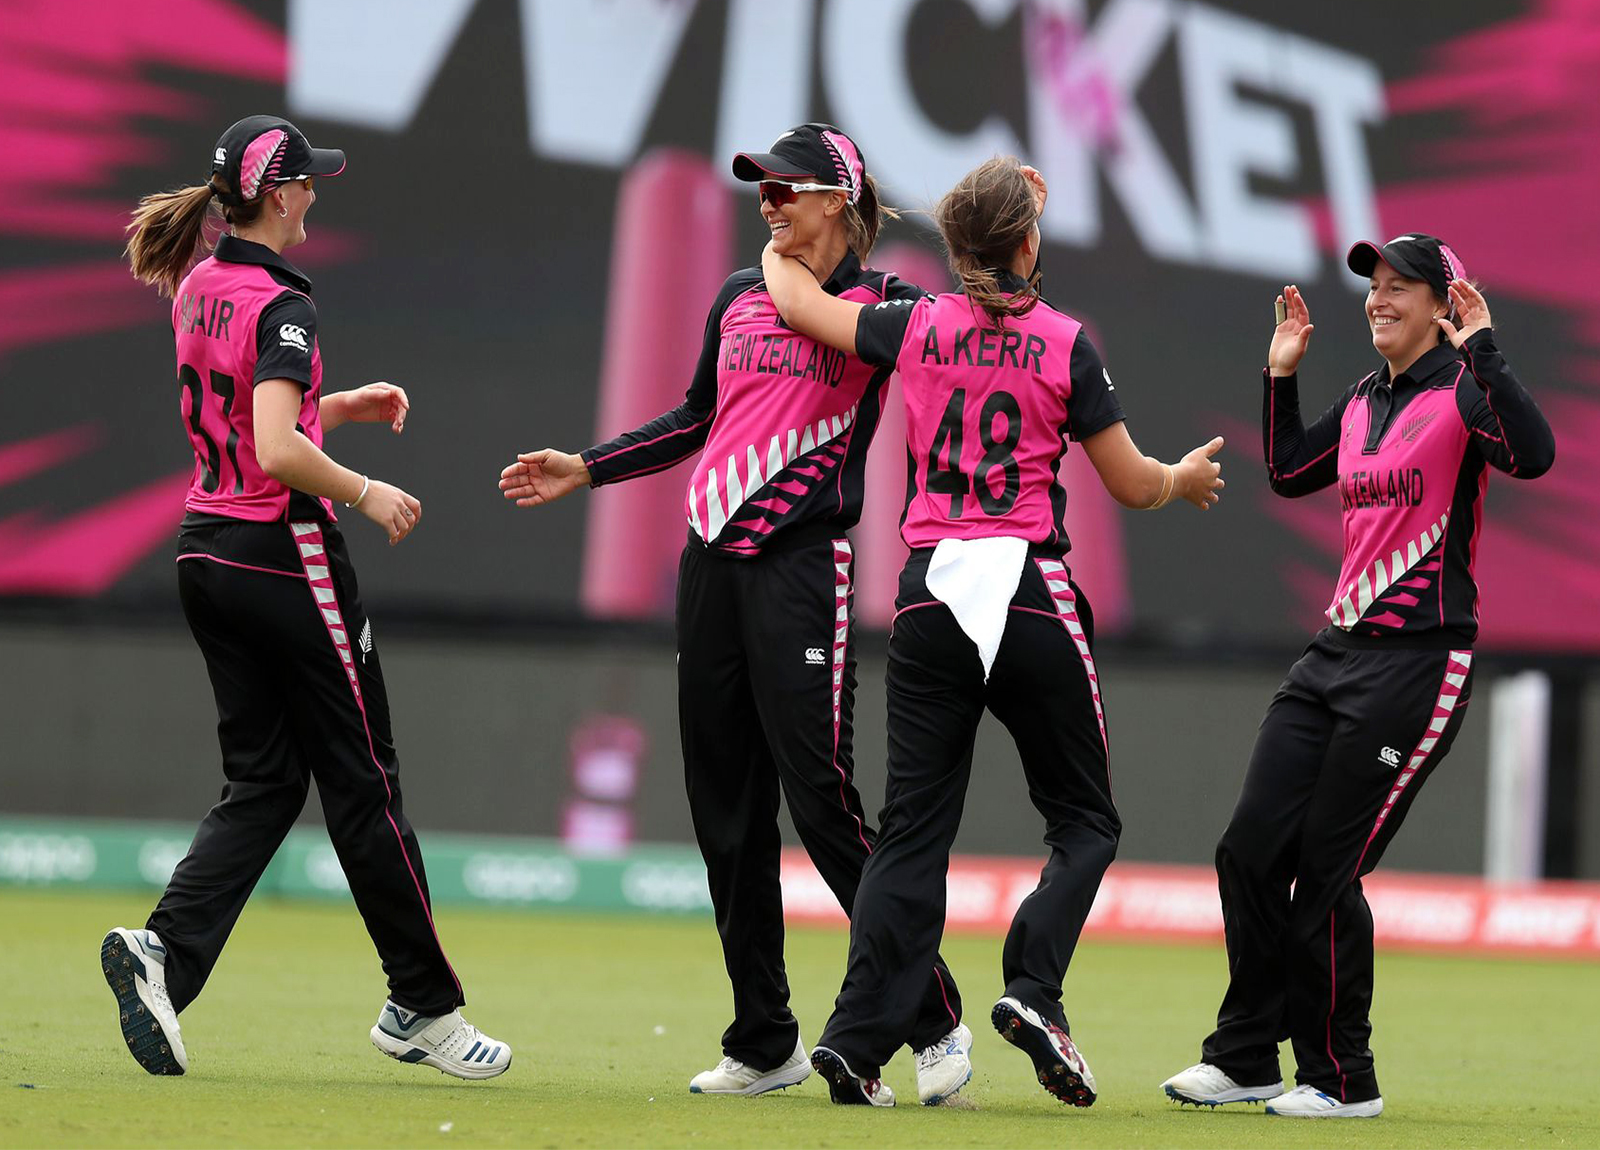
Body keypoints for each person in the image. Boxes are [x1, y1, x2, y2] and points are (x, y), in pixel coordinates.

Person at [498, 123, 971, 1104]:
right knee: (726, 810)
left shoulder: (883, 304)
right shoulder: (735, 295)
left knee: (824, 805)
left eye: (784, 191)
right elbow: (694, 418)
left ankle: (930, 1019)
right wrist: (587, 468)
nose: (767, 206)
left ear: (838, 199)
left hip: (804, 568)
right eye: (759, 192)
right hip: (709, 569)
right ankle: (764, 1040)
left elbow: (963, 351)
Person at [759, 155, 1225, 1106]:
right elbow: (1133, 485)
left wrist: (777, 244)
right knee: (1085, 820)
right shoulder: (1066, 341)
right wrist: (1184, 479)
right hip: (1026, 592)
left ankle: (854, 1040)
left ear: (957, 244)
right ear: (1026, 242)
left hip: (930, 593)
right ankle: (1033, 991)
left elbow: (804, 307)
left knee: (911, 836)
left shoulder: (917, 322)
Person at [108, 115, 509, 1080]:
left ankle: (163, 953)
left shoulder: (201, 283)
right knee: (365, 784)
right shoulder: (285, 305)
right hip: (285, 554)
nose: (318, 194)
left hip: (208, 553)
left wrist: (344, 403)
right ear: (279, 193)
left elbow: (255, 416)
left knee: (266, 782)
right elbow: (278, 450)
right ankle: (425, 1006)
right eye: (309, 182)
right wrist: (367, 490)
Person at [1161, 235, 1555, 1117]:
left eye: (1400, 288)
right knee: (1251, 850)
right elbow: (1293, 469)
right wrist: (1280, 374)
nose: (1379, 300)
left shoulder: (1463, 390)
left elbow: (1533, 455)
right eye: (1374, 287)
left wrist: (1482, 347)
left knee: (1326, 872)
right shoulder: (1367, 398)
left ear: (1443, 302)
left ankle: (1344, 1082)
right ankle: (1247, 1059)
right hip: (1334, 653)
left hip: (1420, 662)